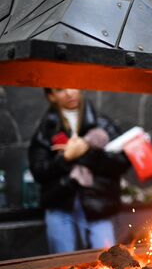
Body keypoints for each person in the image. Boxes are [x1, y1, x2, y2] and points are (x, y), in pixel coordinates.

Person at [28, 88, 130, 253]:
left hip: (99, 205)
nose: (69, 93)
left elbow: (122, 163)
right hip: (59, 204)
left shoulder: (102, 123)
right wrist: (65, 158)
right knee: (62, 267)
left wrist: (85, 153)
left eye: (72, 85)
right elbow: (39, 171)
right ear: (51, 96)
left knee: (108, 262)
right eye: (60, 89)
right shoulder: (46, 129)